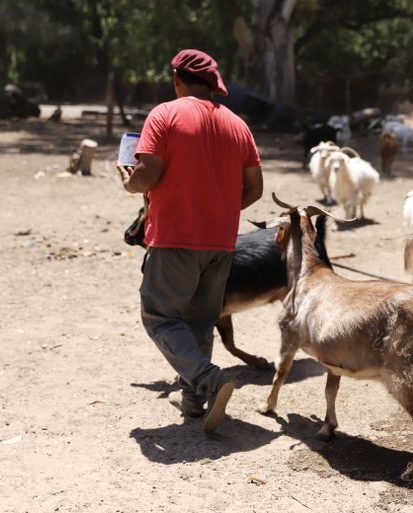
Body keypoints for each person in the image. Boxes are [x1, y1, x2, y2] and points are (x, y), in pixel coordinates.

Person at [117, 49, 263, 432]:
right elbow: (255, 189)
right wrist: (220, 209)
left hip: (175, 237)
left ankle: (211, 380)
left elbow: (147, 175)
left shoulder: (164, 114)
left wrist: (129, 180)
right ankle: (194, 402)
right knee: (199, 320)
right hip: (221, 242)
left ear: (178, 79)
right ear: (212, 83)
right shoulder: (237, 124)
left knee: (160, 317)